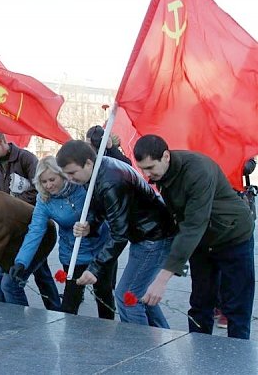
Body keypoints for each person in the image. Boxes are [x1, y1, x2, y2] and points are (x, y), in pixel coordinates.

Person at [133, 135, 255, 339]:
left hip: (233, 237)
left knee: (236, 307)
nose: (147, 175)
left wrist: (162, 279)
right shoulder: (162, 174)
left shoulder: (198, 170)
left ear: (165, 156)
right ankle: (198, 356)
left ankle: (237, 361)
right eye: (142, 168)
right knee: (200, 304)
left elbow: (193, 224)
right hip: (202, 243)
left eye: (150, 168)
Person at [56, 140, 176, 328]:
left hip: (153, 237)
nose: (70, 179)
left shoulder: (111, 180)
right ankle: (162, 339)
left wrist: (94, 268)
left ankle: (140, 349)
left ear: (88, 163)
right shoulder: (97, 170)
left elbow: (119, 234)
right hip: (147, 234)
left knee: (128, 297)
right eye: (66, 175)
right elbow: (99, 205)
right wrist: (90, 225)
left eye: (72, 173)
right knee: (142, 294)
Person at [13, 156, 115, 319]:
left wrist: (91, 225)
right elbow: (35, 231)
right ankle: (68, 340)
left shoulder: (82, 186)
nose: (48, 185)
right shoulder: (44, 199)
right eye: (44, 181)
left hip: (100, 249)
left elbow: (104, 211)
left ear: (62, 174)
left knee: (104, 297)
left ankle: (108, 336)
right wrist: (21, 261)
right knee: (69, 304)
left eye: (52, 179)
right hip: (72, 254)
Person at [0, 129, 38, 205]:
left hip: (28, 213)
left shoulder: (26, 158)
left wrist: (11, 203)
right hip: (2, 214)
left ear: (0, 141)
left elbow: (38, 189)